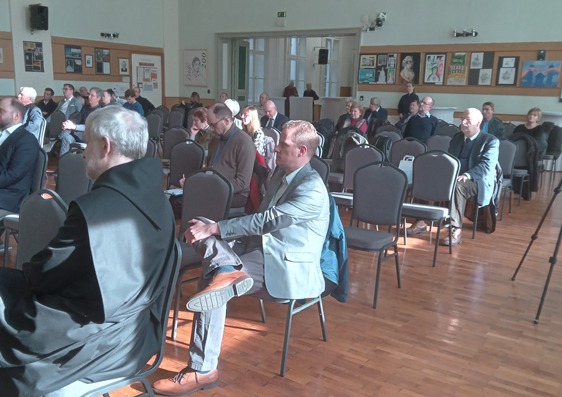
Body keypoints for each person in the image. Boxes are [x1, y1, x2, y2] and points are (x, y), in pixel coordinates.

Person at [0, 106, 176, 396]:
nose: (83, 152)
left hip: (96, 344)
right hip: (139, 332)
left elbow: (41, 277)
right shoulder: (160, 200)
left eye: (88, 143)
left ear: (105, 146)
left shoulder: (94, 210)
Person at [152, 120, 330, 396]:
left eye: (283, 145)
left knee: (213, 275)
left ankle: (203, 369)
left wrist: (219, 229)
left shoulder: (312, 188)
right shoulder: (280, 176)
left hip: (284, 264)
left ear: (302, 150)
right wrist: (213, 227)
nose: (276, 149)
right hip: (258, 251)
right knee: (197, 224)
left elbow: (268, 221)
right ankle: (226, 269)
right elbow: (258, 223)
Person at [408, 108, 500, 246]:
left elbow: (486, 167)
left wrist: (467, 175)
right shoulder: (457, 139)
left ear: (478, 123)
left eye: (467, 120)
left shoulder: (490, 141)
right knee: (427, 178)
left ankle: (455, 229)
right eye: (462, 119)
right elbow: (450, 160)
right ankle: (421, 221)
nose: (463, 122)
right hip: (454, 177)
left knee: (458, 186)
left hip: (477, 181)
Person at [0, 98, 40, 241]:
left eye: (1, 111)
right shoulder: (2, 134)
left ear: (16, 115)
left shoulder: (27, 140)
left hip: (12, 195)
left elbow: (14, 175)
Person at [206, 102, 255, 208]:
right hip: (212, 187)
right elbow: (209, 167)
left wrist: (214, 188)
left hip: (235, 194)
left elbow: (242, 183)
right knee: (181, 199)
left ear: (226, 120)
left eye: (213, 125)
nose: (211, 129)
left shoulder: (244, 142)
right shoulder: (215, 139)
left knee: (200, 202)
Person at [59, 87, 103, 156]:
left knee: (67, 133)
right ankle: (63, 162)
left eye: (92, 95)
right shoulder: (85, 107)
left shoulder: (100, 112)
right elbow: (77, 119)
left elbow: (90, 127)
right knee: (66, 137)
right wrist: (68, 123)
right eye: (89, 94)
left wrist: (74, 126)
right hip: (79, 134)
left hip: (90, 137)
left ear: (98, 98)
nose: (89, 97)